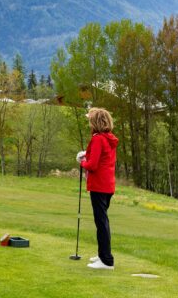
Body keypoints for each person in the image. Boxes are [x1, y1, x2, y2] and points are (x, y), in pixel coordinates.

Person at [77, 107, 119, 270]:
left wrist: (82, 162)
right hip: (107, 185)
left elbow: (93, 165)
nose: (89, 123)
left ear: (95, 122)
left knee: (101, 223)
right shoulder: (109, 138)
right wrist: (87, 157)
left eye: (90, 120)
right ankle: (102, 255)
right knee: (102, 222)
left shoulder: (98, 139)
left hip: (99, 185)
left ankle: (107, 260)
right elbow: (100, 159)